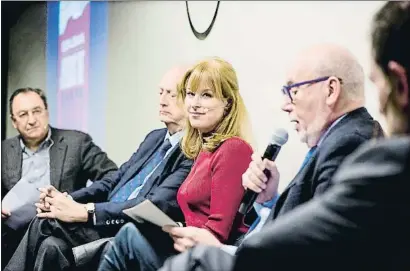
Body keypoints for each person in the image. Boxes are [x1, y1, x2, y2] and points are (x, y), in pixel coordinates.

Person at [162, 2, 410, 271]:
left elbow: (317, 250)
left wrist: (218, 250)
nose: (285, 104)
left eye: (293, 90)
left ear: (331, 90)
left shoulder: (350, 142)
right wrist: (270, 199)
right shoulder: (336, 138)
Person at [4, 65, 193, 271]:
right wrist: (67, 200)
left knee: (44, 222)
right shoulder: (154, 137)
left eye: (171, 95)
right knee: (52, 246)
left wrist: (86, 210)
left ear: (190, 99)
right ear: (13, 121)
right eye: (160, 92)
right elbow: (115, 179)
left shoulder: (192, 151)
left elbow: (154, 205)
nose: (162, 100)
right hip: (97, 217)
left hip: (122, 225)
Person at [96, 57, 254, 271]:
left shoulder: (233, 149)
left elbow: (216, 234)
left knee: (127, 238)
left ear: (227, 104)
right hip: (185, 248)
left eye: (206, 95)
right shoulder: (203, 148)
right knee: (127, 236)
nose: (195, 104)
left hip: (203, 259)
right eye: (190, 94)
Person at [1, 87, 118, 267]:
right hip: (12, 232)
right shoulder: (3, 151)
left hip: (57, 229)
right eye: (23, 114)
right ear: (14, 121)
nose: (32, 120)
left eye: (37, 111)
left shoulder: (76, 143)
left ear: (47, 112)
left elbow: (111, 175)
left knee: (51, 246)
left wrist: (73, 201)